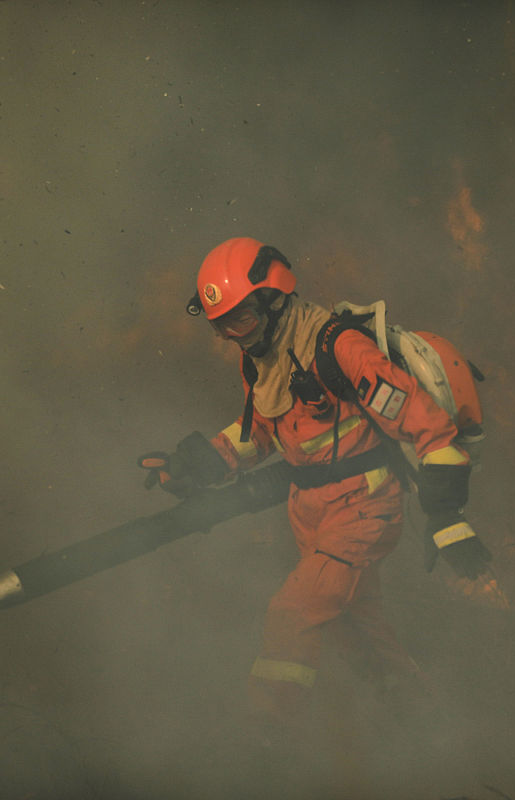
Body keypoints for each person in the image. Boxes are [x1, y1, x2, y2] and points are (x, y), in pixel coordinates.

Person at [146, 236, 491, 736]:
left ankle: (264, 742)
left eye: (240, 321)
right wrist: (197, 463)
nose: (234, 337)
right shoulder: (259, 358)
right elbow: (263, 430)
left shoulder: (340, 347)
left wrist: (447, 518)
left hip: (364, 509)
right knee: (358, 631)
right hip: (311, 515)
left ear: (274, 299)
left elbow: (425, 423)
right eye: (221, 327)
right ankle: (424, 725)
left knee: (292, 613)